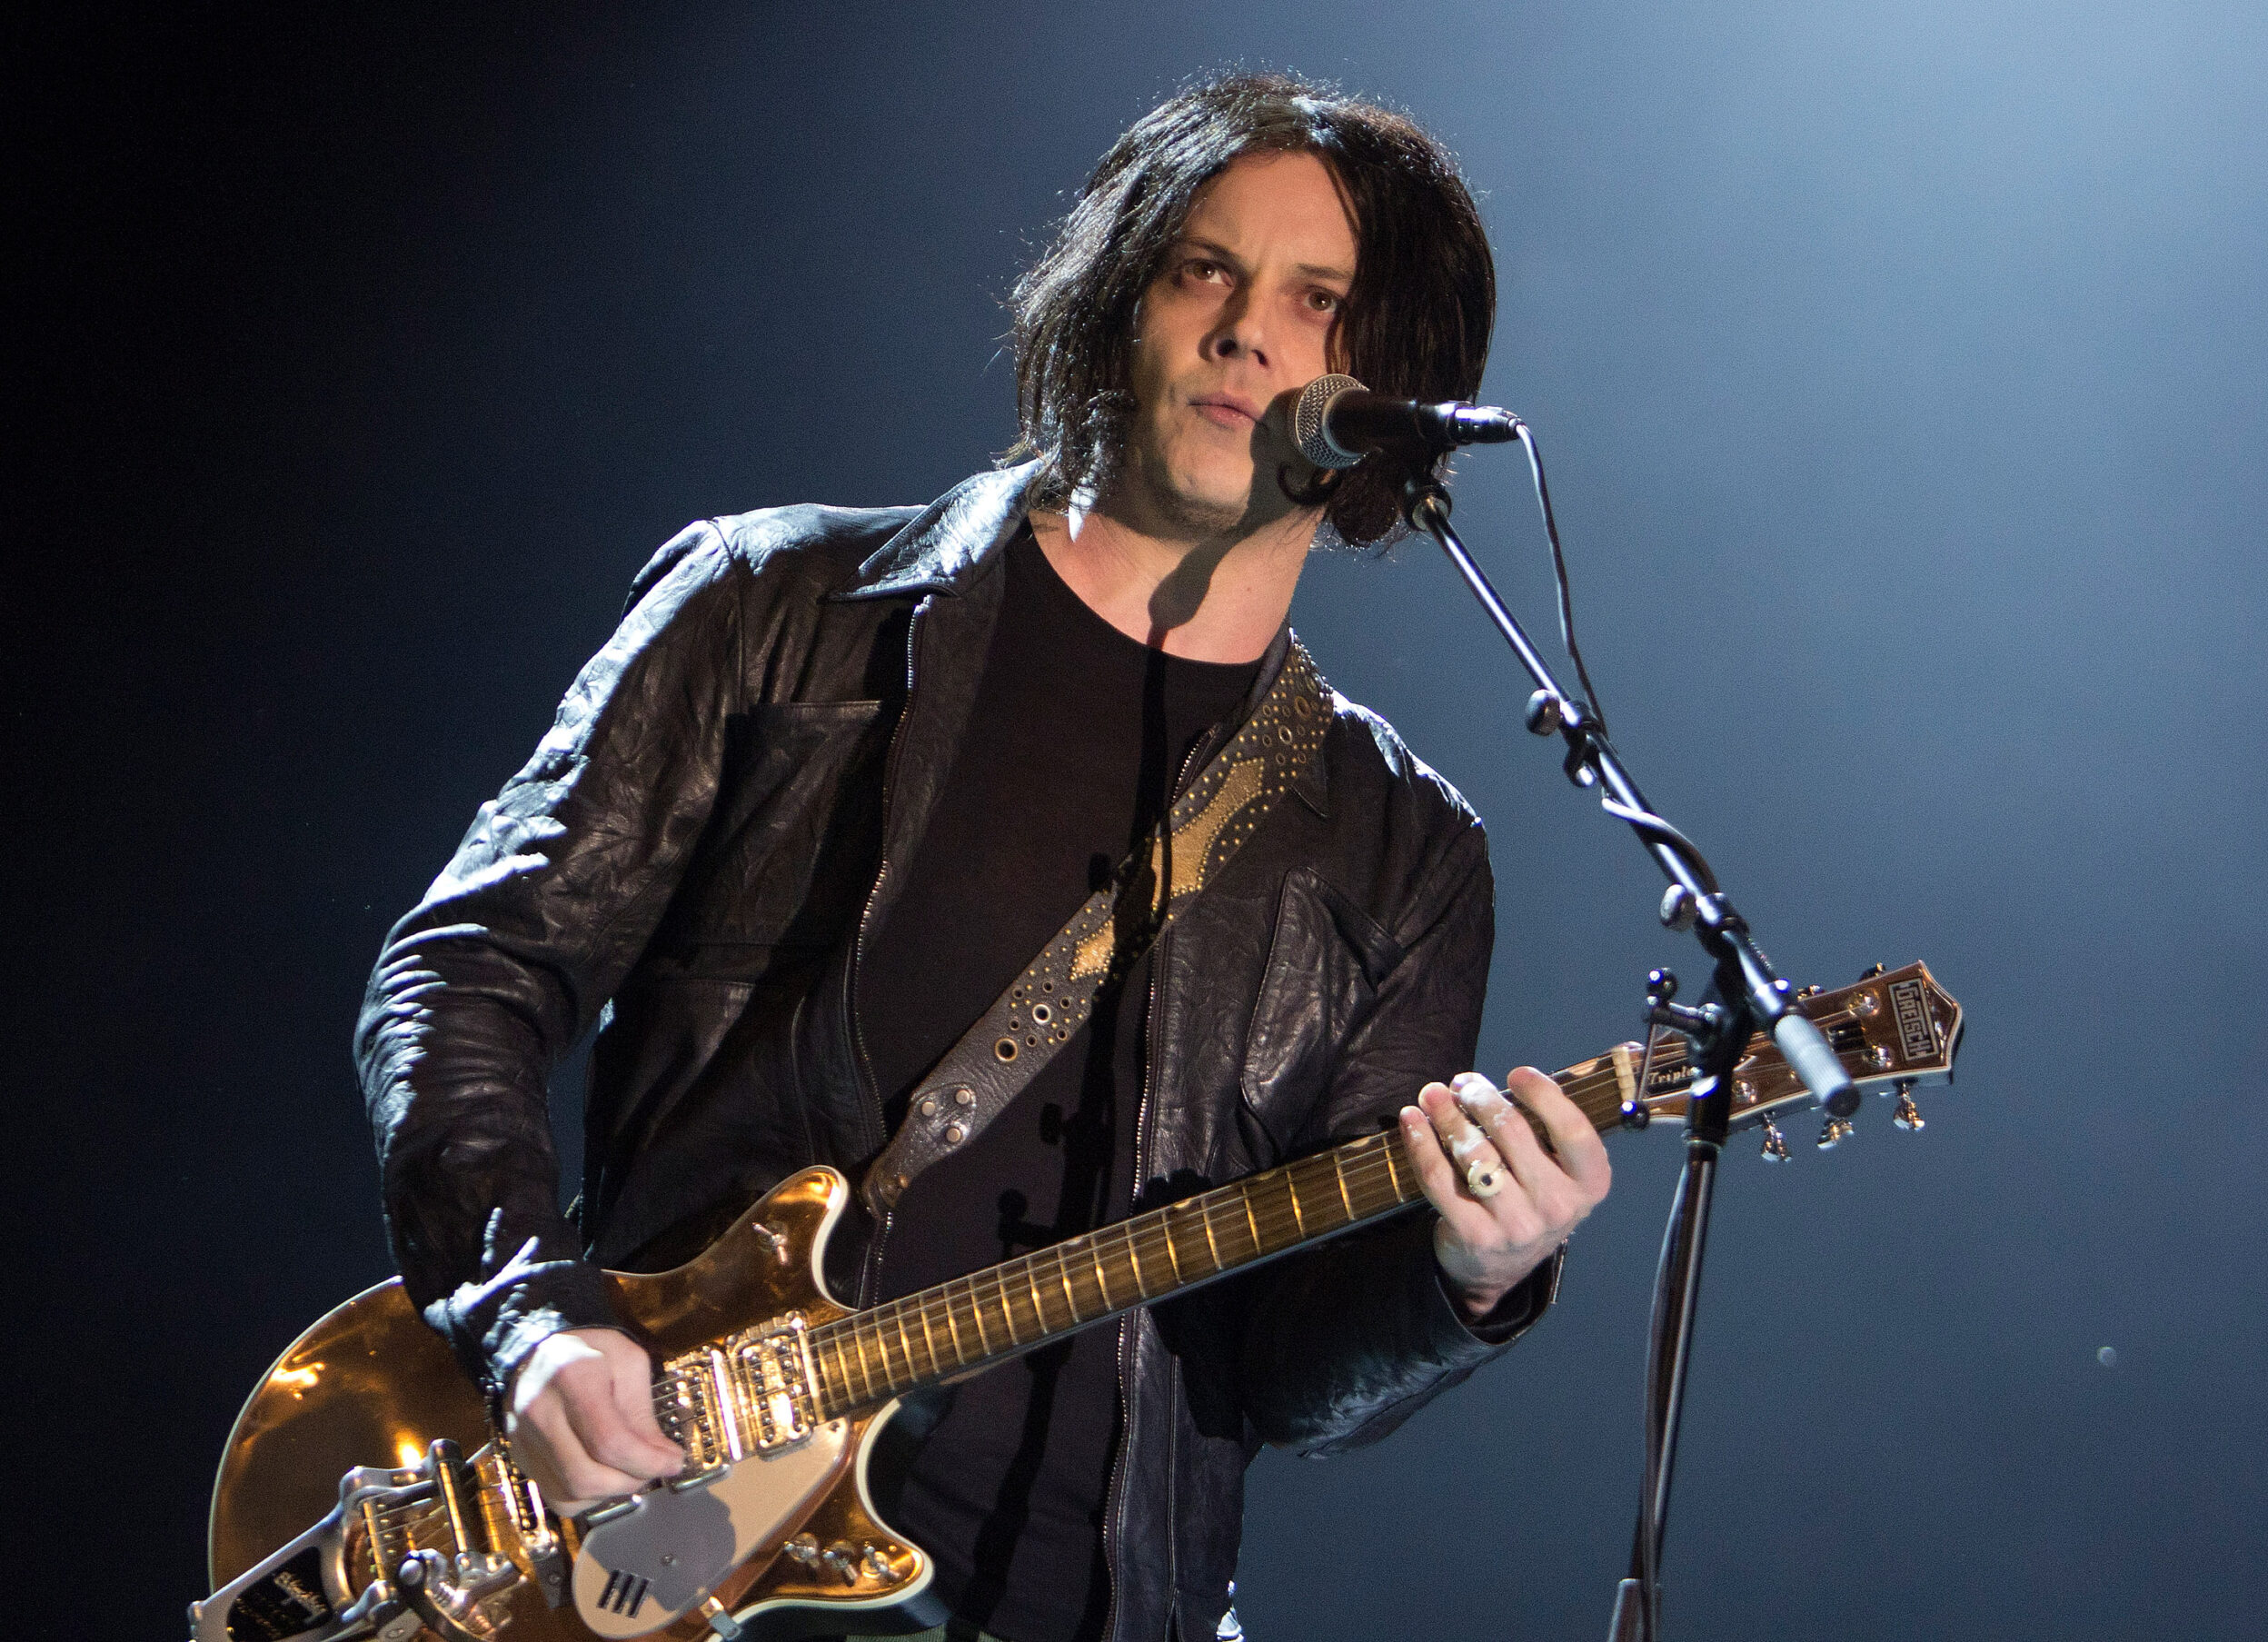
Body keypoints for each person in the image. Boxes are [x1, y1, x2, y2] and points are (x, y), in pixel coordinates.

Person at [357, 72, 1611, 1642]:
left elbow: (1286, 1380)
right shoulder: (781, 609)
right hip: (679, 1556)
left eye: (1323, 304)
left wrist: (1471, 1277)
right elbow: (472, 969)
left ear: (1396, 389)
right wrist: (529, 1321)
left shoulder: (1401, 860)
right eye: (1204, 269)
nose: (1248, 335)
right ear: (1118, 296)